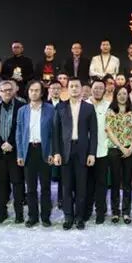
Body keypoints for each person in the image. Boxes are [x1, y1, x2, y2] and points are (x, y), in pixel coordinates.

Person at [53, 78, 98, 230]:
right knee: (66, 187)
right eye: (71, 86)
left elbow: (94, 133)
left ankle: (79, 217)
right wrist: (56, 152)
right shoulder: (60, 107)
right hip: (65, 151)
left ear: (81, 88)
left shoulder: (88, 108)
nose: (74, 88)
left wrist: (92, 153)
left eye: (77, 86)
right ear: (67, 89)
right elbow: (56, 132)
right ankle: (68, 217)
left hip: (82, 151)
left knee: (81, 187)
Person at [15, 80, 56, 228]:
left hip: (44, 150)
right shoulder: (22, 111)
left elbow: (54, 133)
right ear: (28, 92)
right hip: (28, 151)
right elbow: (19, 133)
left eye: (37, 90)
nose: (34, 93)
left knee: (45, 187)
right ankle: (32, 216)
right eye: (31, 90)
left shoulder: (50, 109)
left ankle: (45, 216)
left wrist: (52, 152)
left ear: (42, 92)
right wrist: (20, 154)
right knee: (31, 188)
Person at [0, 80, 26, 224]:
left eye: (9, 89)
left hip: (15, 151)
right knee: (1, 184)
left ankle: (19, 213)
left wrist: (11, 143)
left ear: (14, 90)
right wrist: (0, 144)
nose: (7, 92)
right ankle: (2, 212)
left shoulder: (21, 106)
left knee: (18, 183)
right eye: (3, 90)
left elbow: (22, 129)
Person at [106, 86, 132, 223]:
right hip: (115, 149)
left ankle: (126, 212)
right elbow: (109, 130)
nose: (122, 96)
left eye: (124, 93)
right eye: (119, 94)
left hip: (129, 149)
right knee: (115, 181)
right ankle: (115, 211)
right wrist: (121, 147)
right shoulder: (110, 111)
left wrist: (130, 147)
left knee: (127, 182)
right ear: (115, 95)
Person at [84, 79, 110, 224]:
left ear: (104, 90)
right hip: (86, 151)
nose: (98, 90)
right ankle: (87, 210)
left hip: (102, 150)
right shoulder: (84, 105)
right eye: (95, 88)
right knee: (87, 183)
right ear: (91, 89)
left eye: (101, 88)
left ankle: (101, 211)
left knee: (101, 183)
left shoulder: (108, 106)